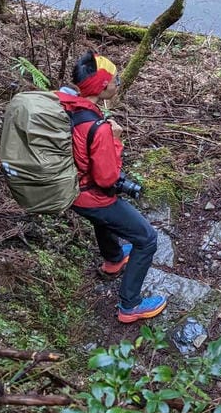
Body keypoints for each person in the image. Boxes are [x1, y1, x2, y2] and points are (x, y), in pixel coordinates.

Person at [58, 52, 166, 323]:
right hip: (90, 196)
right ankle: (130, 305)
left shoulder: (69, 105)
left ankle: (114, 259)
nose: (118, 83)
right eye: (116, 80)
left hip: (72, 189)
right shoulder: (97, 127)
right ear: (103, 86)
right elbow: (107, 179)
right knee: (147, 239)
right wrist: (115, 139)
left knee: (103, 219)